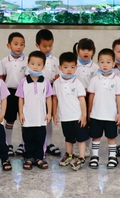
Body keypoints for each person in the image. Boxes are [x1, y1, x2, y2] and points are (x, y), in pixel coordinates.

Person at [87, 48, 120, 169]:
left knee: (111, 137)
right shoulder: (94, 80)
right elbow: (91, 96)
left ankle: (112, 157)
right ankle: (94, 156)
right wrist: (89, 112)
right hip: (96, 114)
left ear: (113, 63)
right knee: (96, 137)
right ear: (98, 63)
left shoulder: (117, 80)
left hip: (111, 115)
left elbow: (119, 98)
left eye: (108, 62)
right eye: (102, 62)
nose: (105, 65)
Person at [17, 51, 53, 170]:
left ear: (43, 66)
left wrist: (49, 113)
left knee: (40, 138)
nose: (35, 67)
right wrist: (21, 113)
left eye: (39, 64)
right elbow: (21, 98)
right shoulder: (23, 82)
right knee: (28, 138)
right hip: (27, 117)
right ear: (28, 64)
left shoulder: (45, 82)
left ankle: (39, 157)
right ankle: (28, 157)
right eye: (32, 64)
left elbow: (49, 98)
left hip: (41, 117)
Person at [52, 52, 88, 171]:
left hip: (77, 116)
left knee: (81, 138)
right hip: (65, 116)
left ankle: (81, 157)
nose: (69, 70)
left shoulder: (77, 83)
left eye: (72, 67)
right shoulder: (57, 83)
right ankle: (69, 155)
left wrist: (84, 115)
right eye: (66, 67)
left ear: (76, 67)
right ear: (60, 67)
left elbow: (82, 100)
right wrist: (54, 113)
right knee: (68, 137)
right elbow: (55, 99)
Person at [0, 32, 28, 156]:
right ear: (8, 45)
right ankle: (8, 144)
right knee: (9, 120)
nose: (19, 47)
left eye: (21, 44)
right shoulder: (4, 61)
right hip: (9, 93)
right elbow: (2, 79)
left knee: (24, 119)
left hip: (24, 94)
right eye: (16, 44)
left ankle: (23, 144)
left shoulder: (27, 60)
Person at [35, 29, 61, 157]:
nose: (47, 48)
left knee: (48, 116)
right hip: (36, 90)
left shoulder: (55, 60)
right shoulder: (34, 59)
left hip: (50, 89)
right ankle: (36, 143)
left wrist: (57, 78)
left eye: (50, 45)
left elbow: (58, 74)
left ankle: (49, 142)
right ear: (37, 45)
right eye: (44, 46)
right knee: (36, 116)